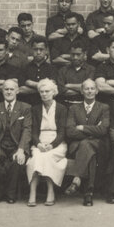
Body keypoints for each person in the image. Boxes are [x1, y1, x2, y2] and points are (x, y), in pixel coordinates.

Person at [0, 78, 32, 204]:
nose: (9, 92)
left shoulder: (25, 107)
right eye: (6, 89)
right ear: (2, 91)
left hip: (17, 145)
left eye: (12, 89)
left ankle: (10, 193)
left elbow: (27, 130)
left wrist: (21, 150)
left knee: (17, 161)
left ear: (17, 91)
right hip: (0, 145)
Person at [64, 79, 110, 206]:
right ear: (81, 91)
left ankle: (77, 179)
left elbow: (103, 130)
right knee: (89, 151)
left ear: (97, 91)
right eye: (86, 89)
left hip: (99, 144)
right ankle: (88, 193)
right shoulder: (73, 108)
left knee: (87, 146)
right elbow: (70, 131)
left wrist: (82, 127)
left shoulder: (104, 108)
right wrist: (93, 130)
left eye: (92, 88)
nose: (89, 91)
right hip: (78, 146)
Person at [26, 78, 69, 206]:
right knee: (37, 157)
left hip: (57, 142)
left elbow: (62, 132)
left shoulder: (62, 108)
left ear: (54, 92)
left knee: (48, 156)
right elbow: (33, 131)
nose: (44, 94)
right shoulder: (35, 109)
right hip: (39, 141)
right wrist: (38, 144)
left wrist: (51, 145)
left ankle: (51, 191)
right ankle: (32, 192)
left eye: (47, 91)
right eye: (42, 91)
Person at [21, 37, 57, 103]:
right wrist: (44, 88)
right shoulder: (25, 68)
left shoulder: (52, 68)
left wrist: (30, 83)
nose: (38, 52)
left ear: (46, 50)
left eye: (41, 49)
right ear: (31, 50)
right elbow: (21, 90)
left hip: (45, 105)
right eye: (35, 49)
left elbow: (52, 88)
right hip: (28, 104)